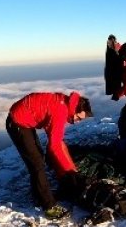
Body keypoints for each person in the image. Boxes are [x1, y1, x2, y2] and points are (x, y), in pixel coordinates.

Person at [6, 91, 93, 219]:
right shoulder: (60, 111)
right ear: (75, 109)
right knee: (37, 165)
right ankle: (49, 207)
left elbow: (55, 139)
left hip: (23, 121)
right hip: (17, 124)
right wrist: (71, 172)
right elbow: (55, 146)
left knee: (38, 160)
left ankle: (39, 196)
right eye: (78, 118)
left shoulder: (64, 103)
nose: (77, 121)